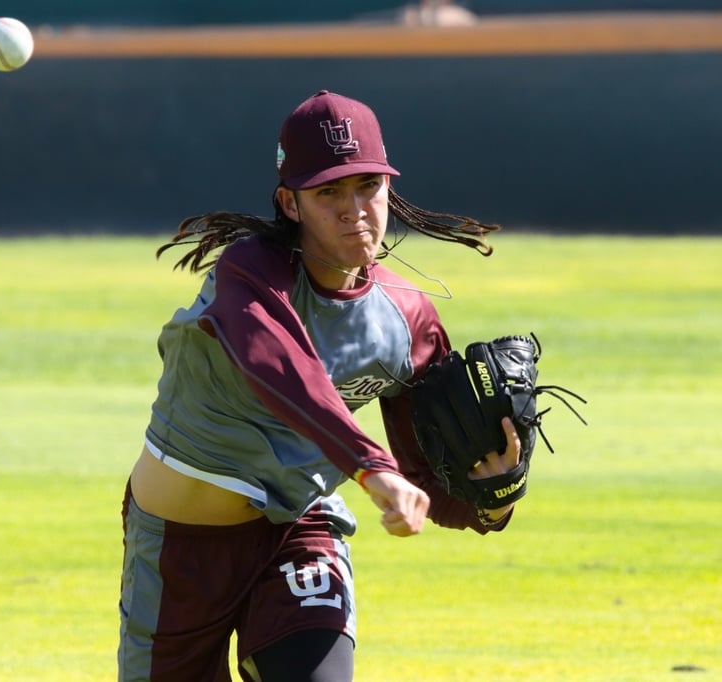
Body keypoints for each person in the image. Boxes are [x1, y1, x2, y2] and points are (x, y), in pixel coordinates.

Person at [118, 89, 524, 682]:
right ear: (290, 202)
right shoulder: (249, 271)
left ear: (390, 190)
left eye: (367, 185)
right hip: (180, 549)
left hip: (300, 529)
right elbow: (282, 367)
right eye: (328, 191)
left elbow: (422, 472)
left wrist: (493, 497)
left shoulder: (407, 316)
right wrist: (367, 464)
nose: (353, 207)